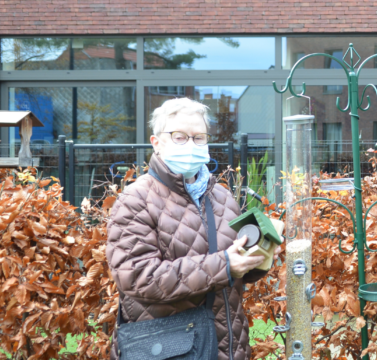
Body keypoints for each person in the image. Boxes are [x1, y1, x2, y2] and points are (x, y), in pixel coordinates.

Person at [106, 98, 282, 360]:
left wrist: (257, 259)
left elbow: (232, 275)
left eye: (199, 138)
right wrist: (224, 265)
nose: (191, 144)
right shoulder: (135, 199)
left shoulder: (222, 198)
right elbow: (138, 276)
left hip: (229, 347)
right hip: (171, 349)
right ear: (157, 142)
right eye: (179, 137)